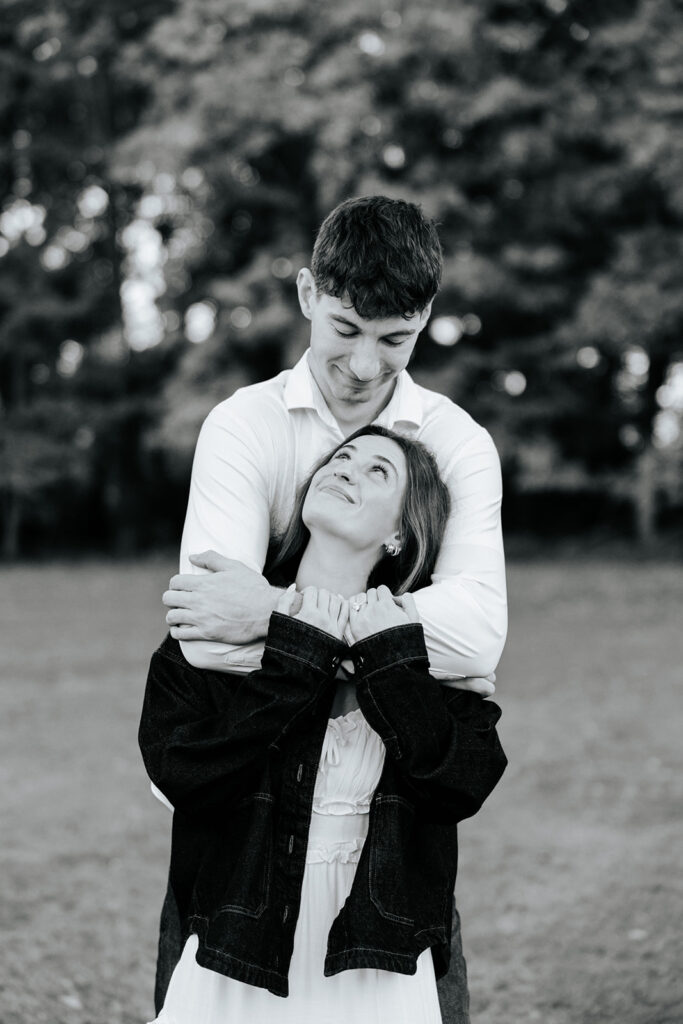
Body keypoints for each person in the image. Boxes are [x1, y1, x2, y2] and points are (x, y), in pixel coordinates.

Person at [158, 195, 508, 1021]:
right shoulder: (244, 426)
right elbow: (207, 636)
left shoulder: (457, 444)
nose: (362, 364)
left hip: (388, 853)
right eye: (345, 329)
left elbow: (476, 639)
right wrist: (391, 648)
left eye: (395, 339)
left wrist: (274, 612)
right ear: (309, 293)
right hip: (239, 849)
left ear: (424, 318)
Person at [140, 426, 507, 1024]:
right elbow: (184, 776)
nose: (345, 468)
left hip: (378, 958)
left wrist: (388, 661)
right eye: (341, 457)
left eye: (378, 471)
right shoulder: (215, 630)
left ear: (400, 534)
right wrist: (300, 652)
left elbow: (461, 784)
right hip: (234, 947)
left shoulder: (430, 654)